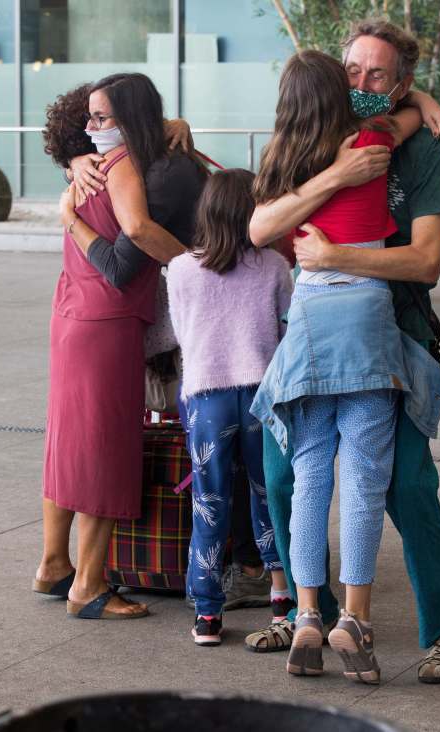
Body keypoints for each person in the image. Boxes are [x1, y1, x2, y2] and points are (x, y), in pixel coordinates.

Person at [247, 20, 440, 685]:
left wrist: (334, 255)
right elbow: (260, 224)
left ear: (400, 82)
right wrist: (340, 174)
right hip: (317, 333)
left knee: (405, 484)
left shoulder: (421, 150)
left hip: (393, 334)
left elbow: (429, 263)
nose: (360, 84)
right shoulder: (316, 138)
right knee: (287, 471)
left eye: (378, 75)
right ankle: (305, 607)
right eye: (351, 70)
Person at [34, 73, 200, 620]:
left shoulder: (91, 170)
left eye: (102, 117)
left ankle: (54, 564)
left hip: (71, 316)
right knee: (105, 450)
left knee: (67, 443)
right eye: (91, 118)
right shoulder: (122, 164)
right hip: (106, 323)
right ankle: (87, 586)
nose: (92, 127)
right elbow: (133, 238)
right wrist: (200, 268)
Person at [166, 168, 294, 645]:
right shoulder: (275, 266)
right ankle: (282, 596)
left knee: (211, 501)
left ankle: (207, 614)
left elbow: (182, 335)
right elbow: (287, 332)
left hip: (206, 396)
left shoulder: (180, 270)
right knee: (271, 496)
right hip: (264, 395)